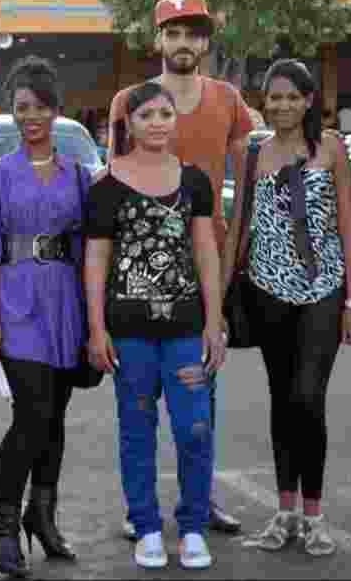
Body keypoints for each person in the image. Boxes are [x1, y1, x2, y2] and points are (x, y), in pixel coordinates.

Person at [108, 0, 254, 536]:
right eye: (173, 33)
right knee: (139, 400)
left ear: (206, 40)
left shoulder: (229, 101)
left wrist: (233, 248)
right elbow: (112, 184)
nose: (184, 42)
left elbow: (247, 186)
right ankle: (140, 510)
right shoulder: (131, 100)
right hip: (141, 273)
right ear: (158, 40)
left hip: (206, 266)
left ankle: (202, 499)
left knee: (200, 399)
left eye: (193, 33)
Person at [223, 59, 351, 556]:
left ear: (308, 100)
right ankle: (284, 512)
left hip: (322, 291)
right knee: (281, 400)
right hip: (265, 291)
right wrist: (221, 299)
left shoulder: (329, 148)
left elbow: (348, 225)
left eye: (291, 97)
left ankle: (315, 514)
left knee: (308, 398)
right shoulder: (252, 152)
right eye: (273, 97)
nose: (281, 105)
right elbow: (238, 226)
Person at [86, 81, 225, 570]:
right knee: (137, 431)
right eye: (147, 115)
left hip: (187, 330)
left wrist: (214, 321)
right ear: (130, 123)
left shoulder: (194, 181)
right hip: (129, 333)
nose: (158, 123)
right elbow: (97, 258)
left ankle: (191, 527)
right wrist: (96, 327)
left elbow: (206, 251)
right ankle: (146, 526)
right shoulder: (105, 185)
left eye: (166, 113)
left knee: (194, 429)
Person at [0, 56, 87, 577]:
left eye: (38, 107)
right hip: (15, 302)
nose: (29, 116)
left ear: (55, 112)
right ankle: (3, 525)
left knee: (54, 419)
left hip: (65, 303)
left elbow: (88, 249)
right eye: (20, 108)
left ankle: (42, 513)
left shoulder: (78, 174)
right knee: (30, 416)